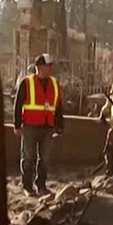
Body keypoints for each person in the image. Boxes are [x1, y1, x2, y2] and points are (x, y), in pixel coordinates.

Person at [12, 53, 65, 196]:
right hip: (30, 126)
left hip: (47, 127)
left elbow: (58, 106)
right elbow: (17, 105)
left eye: (50, 66)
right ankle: (27, 186)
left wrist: (59, 125)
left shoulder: (55, 83)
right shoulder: (27, 82)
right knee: (28, 157)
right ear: (39, 67)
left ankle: (41, 185)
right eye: (48, 66)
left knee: (44, 158)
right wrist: (17, 125)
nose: (50, 69)